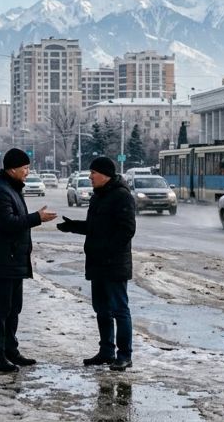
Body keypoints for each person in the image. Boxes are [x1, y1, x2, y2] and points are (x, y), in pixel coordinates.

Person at [56, 156, 137, 371]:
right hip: (97, 263)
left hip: (114, 263)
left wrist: (107, 250)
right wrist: (73, 226)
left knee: (119, 309)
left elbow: (127, 230)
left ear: (105, 175)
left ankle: (124, 355)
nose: (90, 176)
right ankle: (106, 351)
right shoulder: (98, 196)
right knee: (101, 309)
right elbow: (95, 227)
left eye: (93, 173)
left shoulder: (121, 196)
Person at [0, 148, 57, 372]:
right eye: (25, 168)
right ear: (12, 168)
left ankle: (10, 351)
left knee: (14, 308)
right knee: (1, 310)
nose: (27, 172)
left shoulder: (11, 188)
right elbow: (8, 223)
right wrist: (37, 218)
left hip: (15, 259)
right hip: (4, 260)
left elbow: (16, 220)